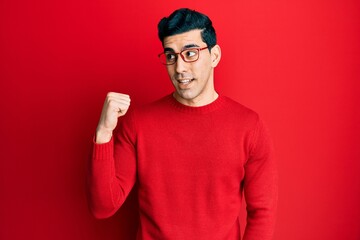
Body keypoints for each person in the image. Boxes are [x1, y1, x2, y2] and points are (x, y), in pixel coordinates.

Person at [88, 8, 278, 240]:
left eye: (190, 53)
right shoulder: (138, 123)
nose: (179, 68)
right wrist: (104, 132)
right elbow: (103, 207)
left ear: (214, 55)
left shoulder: (249, 126)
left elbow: (262, 213)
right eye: (170, 56)